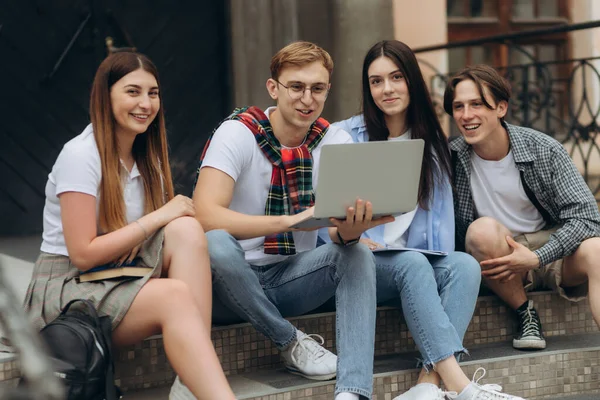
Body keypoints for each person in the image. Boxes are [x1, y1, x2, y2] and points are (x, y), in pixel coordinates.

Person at [22, 51, 235, 400]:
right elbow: (83, 253)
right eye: (133, 92)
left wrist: (168, 217)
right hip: (67, 288)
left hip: (117, 273)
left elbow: (165, 232)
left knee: (187, 229)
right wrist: (159, 216)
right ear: (105, 97)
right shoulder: (80, 156)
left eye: (153, 93)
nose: (145, 103)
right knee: (175, 294)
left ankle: (191, 379)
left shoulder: (146, 156)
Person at [193, 41, 392, 400]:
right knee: (215, 242)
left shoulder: (334, 139)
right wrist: (288, 222)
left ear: (327, 90)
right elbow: (205, 215)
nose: (307, 99)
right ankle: (290, 341)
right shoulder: (238, 133)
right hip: (227, 286)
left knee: (357, 254)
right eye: (296, 87)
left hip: (290, 278)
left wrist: (352, 229)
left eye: (317, 89)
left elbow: (334, 233)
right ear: (274, 88)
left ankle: (353, 391)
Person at [330, 40, 524, 400]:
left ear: (412, 82)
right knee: (413, 263)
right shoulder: (345, 137)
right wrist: (355, 237)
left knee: (465, 266)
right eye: (376, 81)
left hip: (413, 265)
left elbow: (441, 235)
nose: (386, 89)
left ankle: (426, 384)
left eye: (396, 77)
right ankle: (462, 386)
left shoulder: (433, 146)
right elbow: (321, 221)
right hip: (360, 261)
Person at [444, 64, 600, 351]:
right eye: (458, 106)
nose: (466, 116)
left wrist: (538, 257)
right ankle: (525, 312)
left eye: (477, 104)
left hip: (553, 252)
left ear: (500, 108)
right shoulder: (450, 158)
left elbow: (588, 219)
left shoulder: (543, 148)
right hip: (498, 258)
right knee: (481, 231)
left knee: (597, 250)